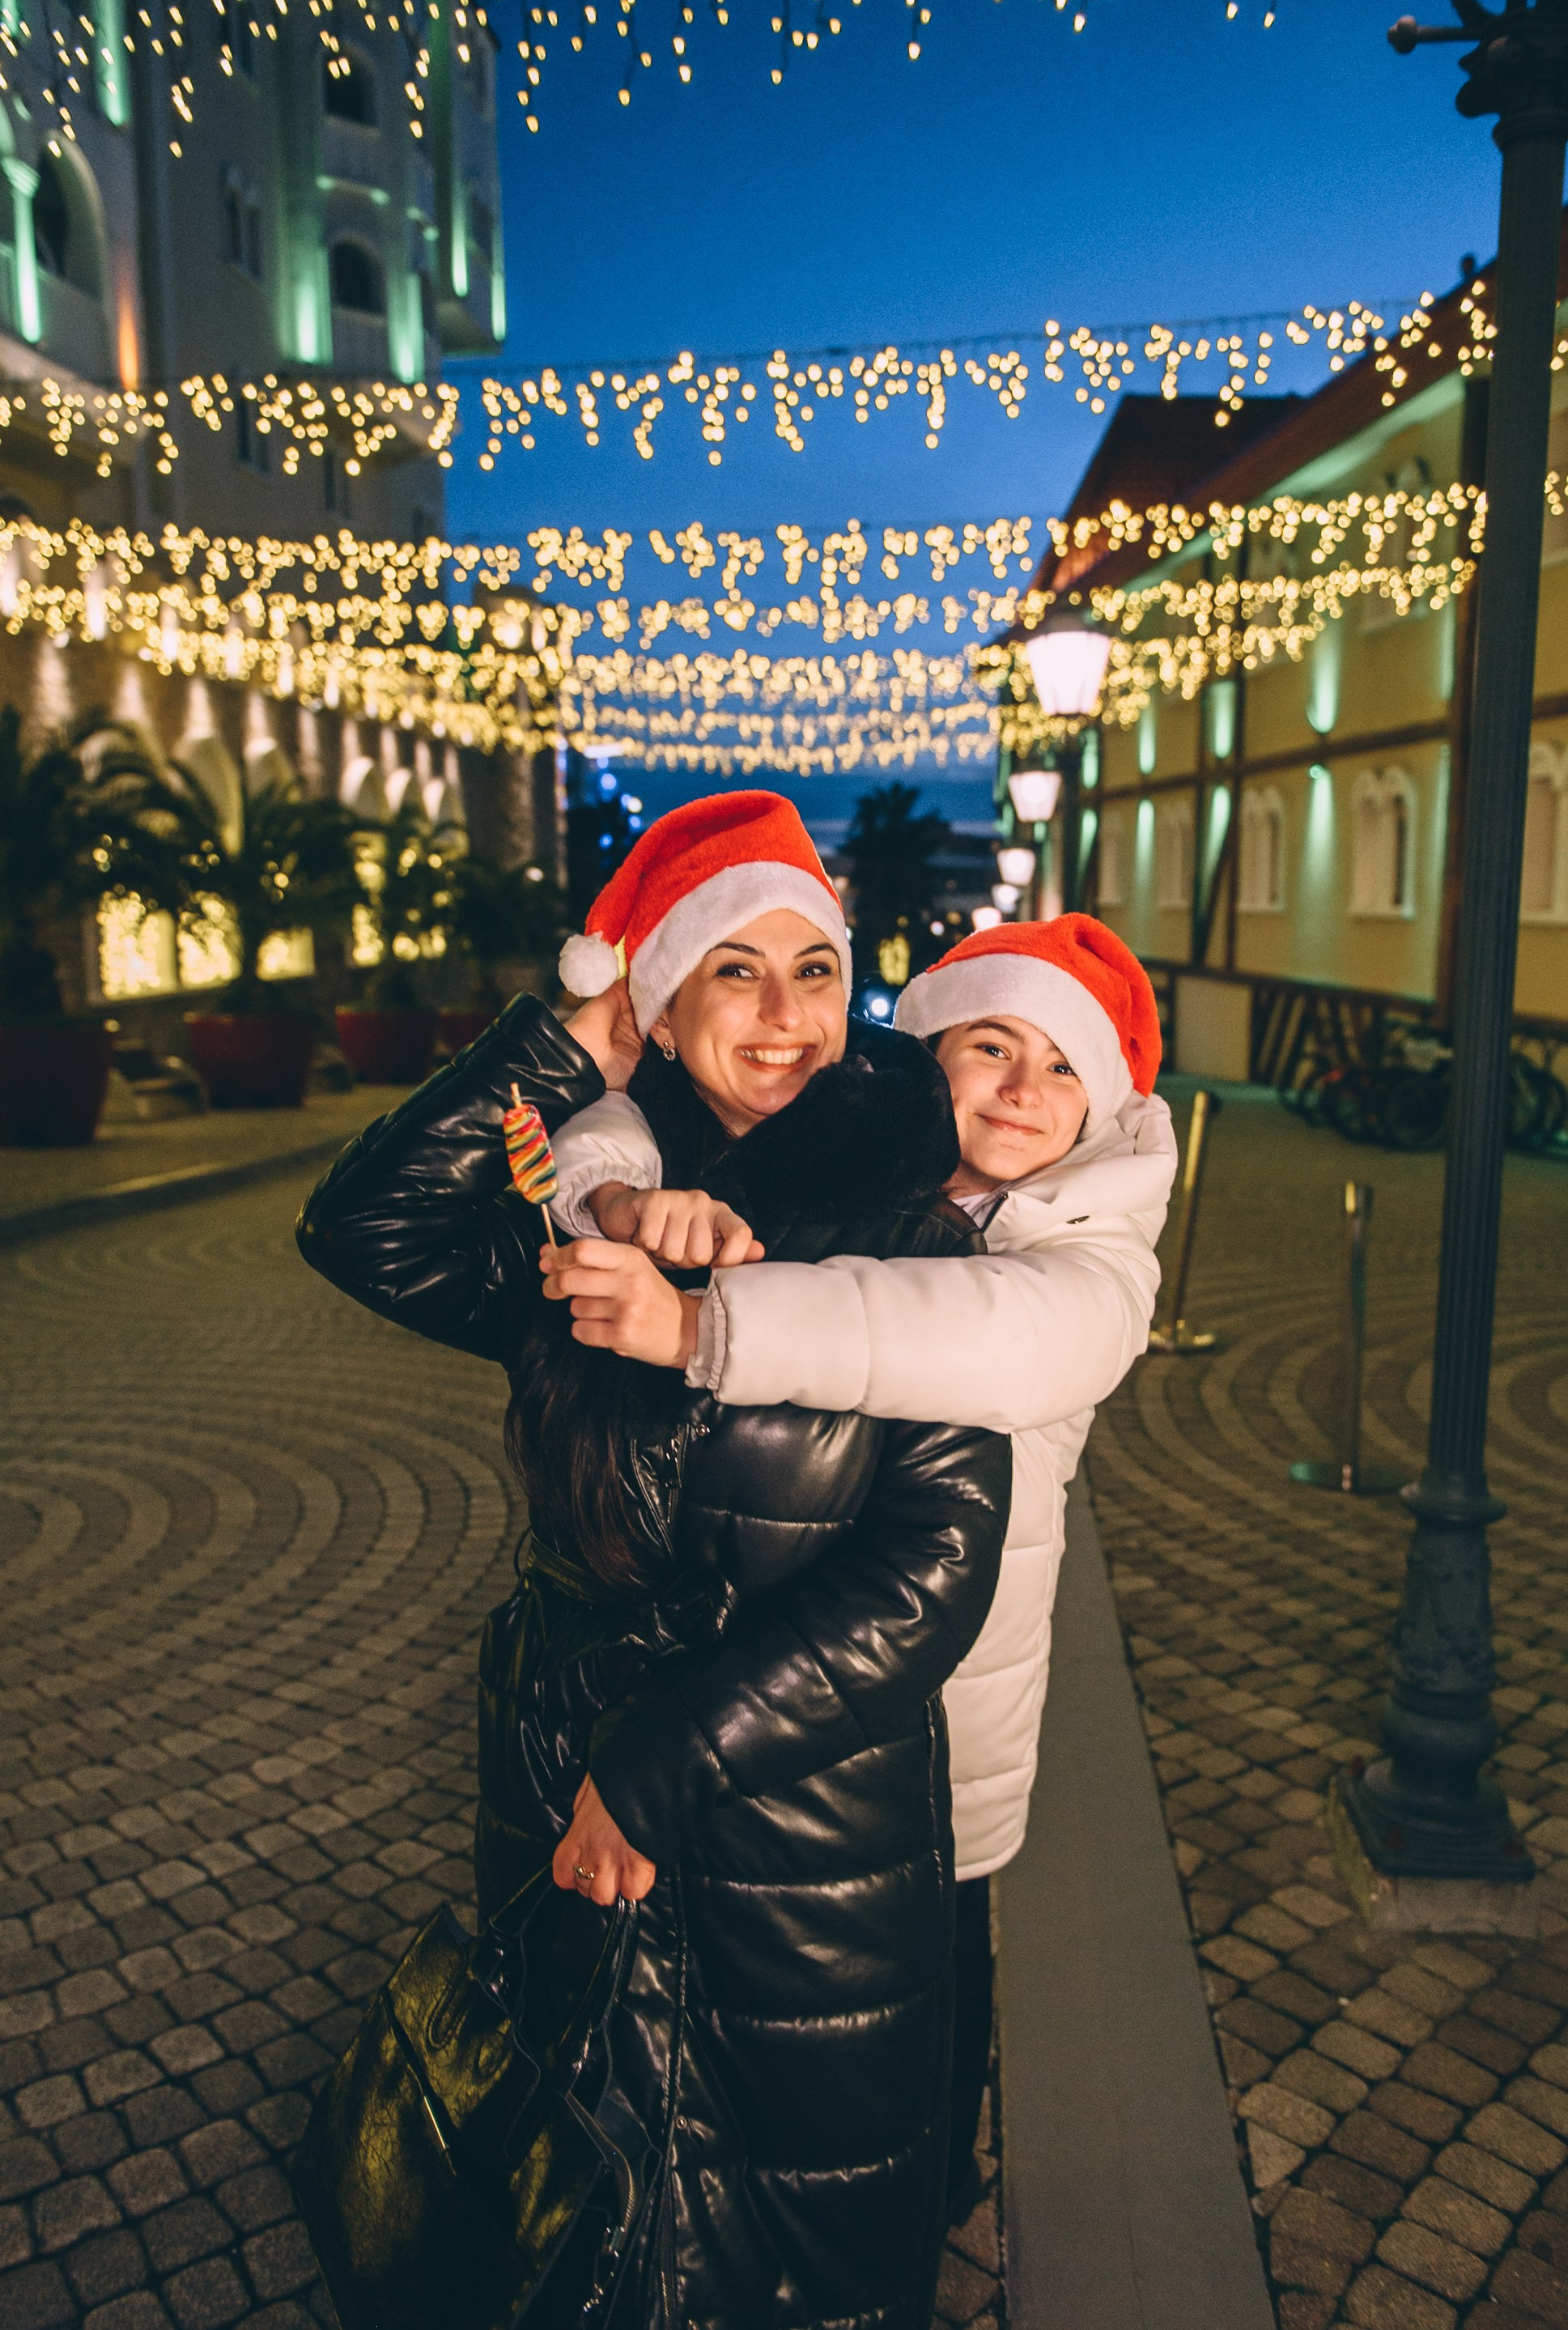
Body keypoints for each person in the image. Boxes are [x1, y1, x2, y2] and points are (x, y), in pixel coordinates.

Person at [295, 791, 1011, 2330]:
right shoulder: (583, 1213)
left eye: (811, 970)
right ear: (662, 1004)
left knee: (804, 2231)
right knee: (587, 2197)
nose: (779, 1017)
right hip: (562, 1774)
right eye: (730, 973)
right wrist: (566, 1053)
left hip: (806, 1825)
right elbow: (362, 1229)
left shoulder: (921, 1222)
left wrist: (660, 1766)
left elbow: (929, 1572)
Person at [539, 914, 1177, 2219]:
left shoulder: (1093, 1252)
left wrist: (703, 1327)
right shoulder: (851, 1167)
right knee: (793, 1990)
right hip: (791, 1684)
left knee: (928, 1968)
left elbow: (974, 1333)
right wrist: (599, 1159)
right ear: (919, 1054)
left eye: (1063, 1068)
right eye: (990, 1045)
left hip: (943, 1700)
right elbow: (635, 1143)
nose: (1020, 1090)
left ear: (1103, 1106)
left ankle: (928, 2187)